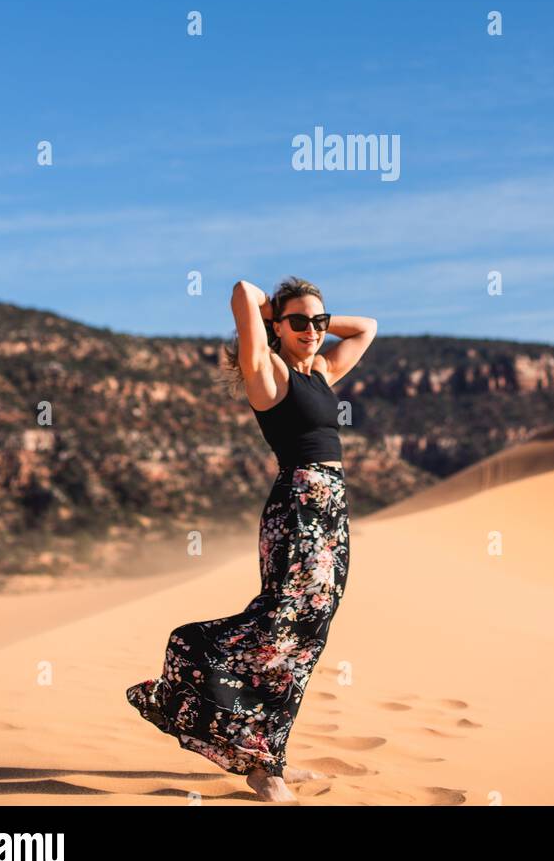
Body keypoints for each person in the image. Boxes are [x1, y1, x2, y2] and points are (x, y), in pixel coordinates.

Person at [126, 275, 377, 802]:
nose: (313, 330)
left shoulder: (323, 370)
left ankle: (272, 756)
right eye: (300, 322)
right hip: (297, 510)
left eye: (319, 322)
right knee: (276, 624)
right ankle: (243, 742)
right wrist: (270, 318)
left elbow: (369, 327)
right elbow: (243, 290)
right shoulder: (268, 373)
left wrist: (307, 320)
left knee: (306, 638)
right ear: (275, 328)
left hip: (333, 511)